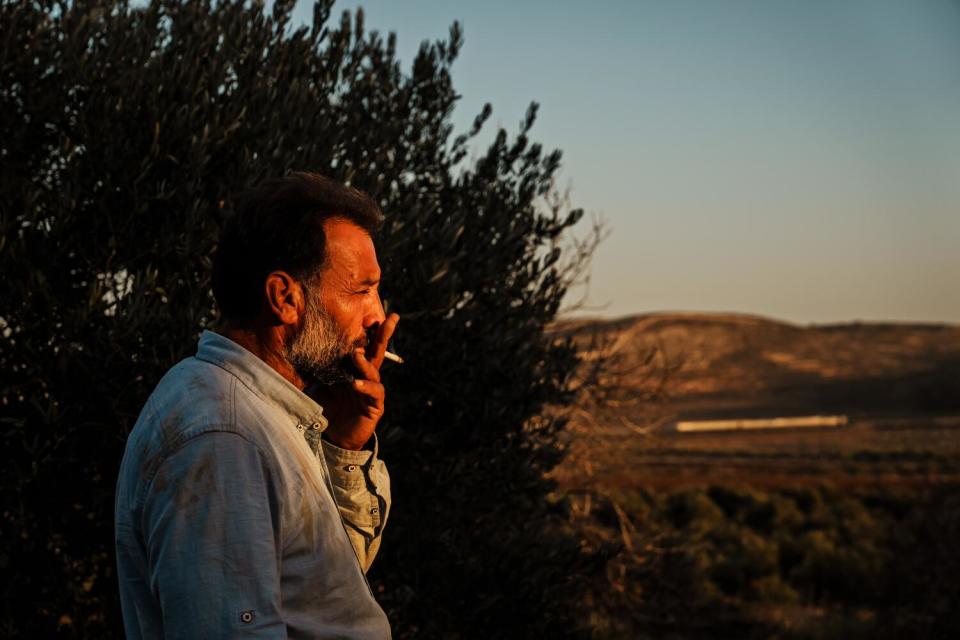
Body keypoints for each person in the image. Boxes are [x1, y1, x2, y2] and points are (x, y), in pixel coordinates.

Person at [115, 172, 399, 639]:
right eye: (361, 291)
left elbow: (316, 589)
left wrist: (343, 447)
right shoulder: (223, 437)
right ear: (284, 298)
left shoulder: (260, 414)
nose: (377, 315)